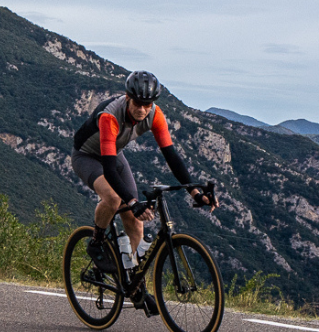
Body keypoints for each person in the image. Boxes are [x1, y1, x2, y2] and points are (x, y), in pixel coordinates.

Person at [70, 71, 218, 314]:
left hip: (114, 153)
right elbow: (107, 169)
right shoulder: (110, 116)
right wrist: (132, 200)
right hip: (87, 156)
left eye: (147, 104)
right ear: (128, 98)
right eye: (138, 103)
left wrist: (194, 193)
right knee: (114, 198)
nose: (142, 109)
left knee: (136, 222)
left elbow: (171, 156)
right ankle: (96, 241)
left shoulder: (155, 115)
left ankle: (134, 283)